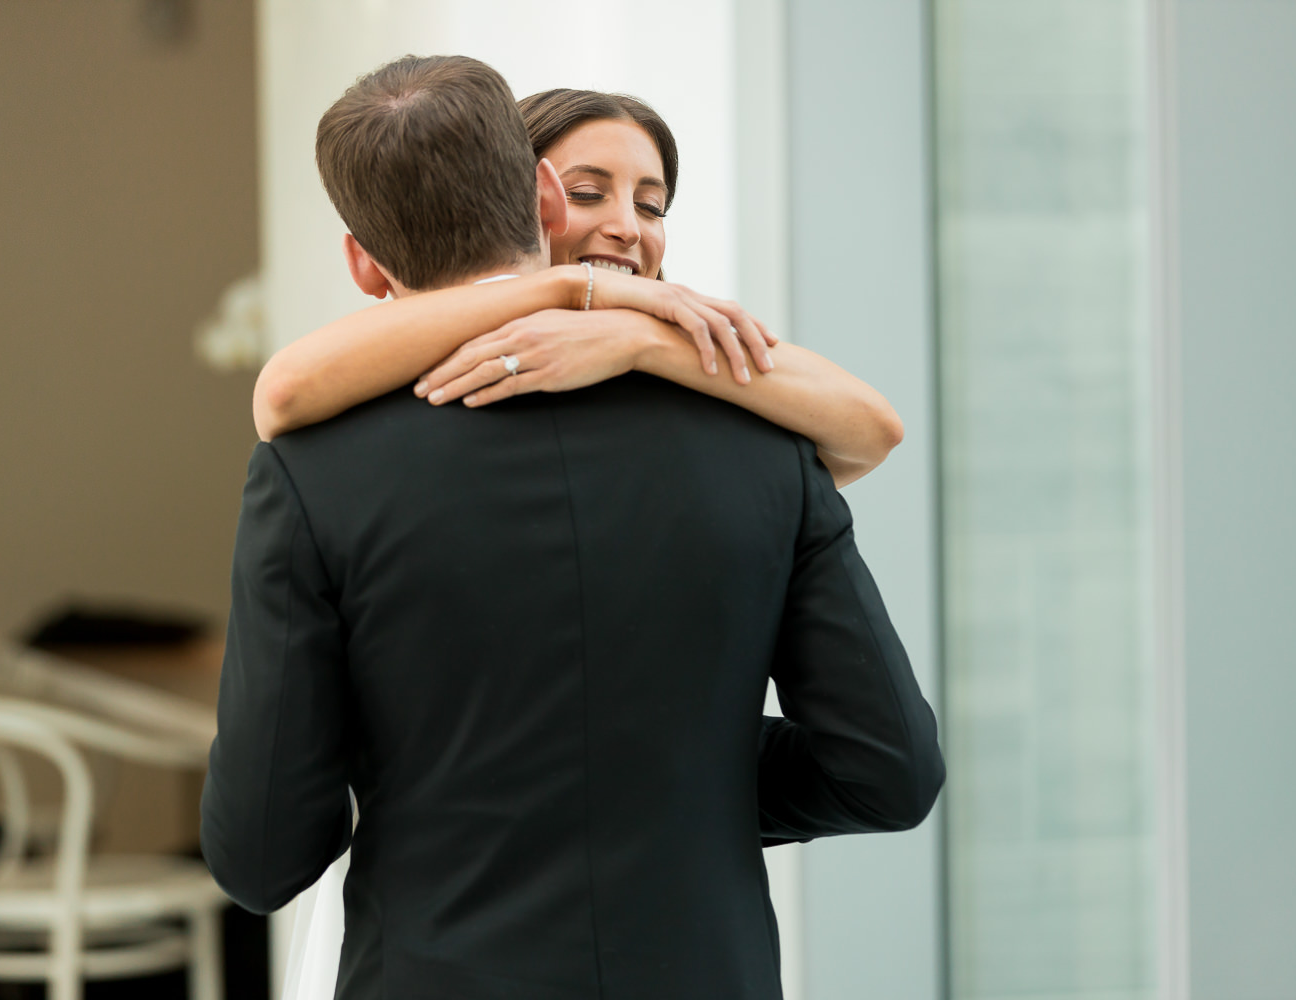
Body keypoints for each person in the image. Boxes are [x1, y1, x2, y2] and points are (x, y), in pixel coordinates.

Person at [200, 54, 944, 1000]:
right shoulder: (764, 448)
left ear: (361, 261)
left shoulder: (313, 474)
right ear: (548, 199)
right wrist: (677, 772)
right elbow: (890, 771)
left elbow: (261, 853)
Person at [250, 89, 902, 490]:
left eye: (652, 207)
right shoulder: (405, 386)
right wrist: (568, 289)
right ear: (530, 197)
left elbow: (873, 430)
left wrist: (641, 339)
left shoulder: (696, 378)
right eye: (588, 194)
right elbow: (284, 391)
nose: (624, 227)